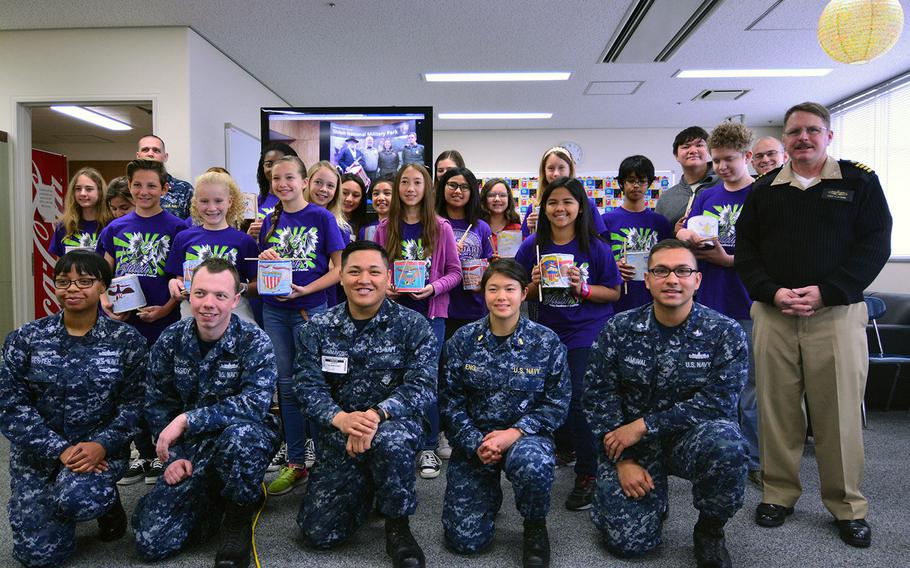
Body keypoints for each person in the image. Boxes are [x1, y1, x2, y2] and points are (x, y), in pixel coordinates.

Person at [735, 102, 892, 548]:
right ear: (784, 140)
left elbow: (875, 245)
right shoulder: (764, 190)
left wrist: (829, 290)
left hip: (836, 315)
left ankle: (848, 506)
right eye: (794, 132)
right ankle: (778, 495)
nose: (803, 138)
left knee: (838, 414)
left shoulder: (859, 182)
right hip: (775, 314)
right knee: (776, 411)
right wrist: (771, 291)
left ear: (828, 135)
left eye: (812, 130)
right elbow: (746, 251)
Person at [584, 239, 748, 567]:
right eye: (661, 271)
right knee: (629, 545)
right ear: (647, 279)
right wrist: (624, 460)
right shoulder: (619, 328)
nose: (672, 280)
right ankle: (646, 500)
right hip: (631, 444)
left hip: (689, 438)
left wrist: (645, 425)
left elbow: (718, 402)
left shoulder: (724, 332)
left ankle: (710, 530)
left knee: (728, 445)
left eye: (683, 271)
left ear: (696, 280)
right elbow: (598, 394)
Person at [293, 240, 436, 568]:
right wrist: (340, 419)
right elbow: (306, 387)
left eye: (374, 272)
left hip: (393, 426)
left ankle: (397, 526)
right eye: (354, 271)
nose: (364, 280)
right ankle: (367, 485)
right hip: (339, 434)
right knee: (318, 534)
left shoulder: (413, 326)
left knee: (389, 441)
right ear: (341, 277)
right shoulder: (317, 328)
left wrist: (376, 415)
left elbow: (422, 386)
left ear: (388, 278)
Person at [0, 250, 147, 568]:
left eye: (84, 281)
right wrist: (59, 450)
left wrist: (102, 445)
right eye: (64, 281)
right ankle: (56, 505)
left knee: (77, 499)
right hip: (37, 455)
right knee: (36, 556)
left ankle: (105, 505)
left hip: (99, 452)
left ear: (103, 287)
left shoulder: (126, 341)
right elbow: (10, 406)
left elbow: (135, 405)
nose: (73, 288)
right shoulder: (26, 339)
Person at [132, 258, 279, 568]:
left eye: (219, 296)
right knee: (150, 541)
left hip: (243, 437)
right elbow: (157, 403)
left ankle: (237, 515)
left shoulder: (254, 341)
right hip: (190, 447)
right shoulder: (171, 339)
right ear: (189, 293)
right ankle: (214, 498)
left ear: (235, 299)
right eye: (200, 293)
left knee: (240, 438)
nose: (208, 304)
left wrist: (187, 420)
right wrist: (174, 457)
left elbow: (255, 404)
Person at [441, 259, 570, 567]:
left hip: (525, 437)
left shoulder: (546, 341)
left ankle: (534, 526)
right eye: (493, 289)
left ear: (523, 293)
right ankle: (487, 495)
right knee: (465, 543)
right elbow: (449, 401)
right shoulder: (462, 340)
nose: (502, 296)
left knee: (533, 463)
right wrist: (476, 442)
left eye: (510, 289)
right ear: (483, 293)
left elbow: (557, 403)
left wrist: (514, 434)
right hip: (476, 440)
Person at [515, 176, 621, 511]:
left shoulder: (596, 248)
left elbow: (614, 293)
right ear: (543, 208)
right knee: (547, 399)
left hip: (585, 332)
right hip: (546, 334)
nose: (560, 209)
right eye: (552, 203)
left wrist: (583, 289)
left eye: (567, 202)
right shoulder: (531, 246)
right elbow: (515, 293)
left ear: (581, 208)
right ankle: (561, 451)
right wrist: (530, 285)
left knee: (578, 399)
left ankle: (588, 473)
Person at [675, 122, 759, 485]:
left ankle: (754, 461)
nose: (722, 167)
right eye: (718, 160)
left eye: (729, 160)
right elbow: (680, 227)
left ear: (747, 157)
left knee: (749, 390)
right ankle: (708, 453)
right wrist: (686, 234)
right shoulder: (707, 195)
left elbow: (772, 253)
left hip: (746, 303)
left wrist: (729, 261)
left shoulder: (762, 194)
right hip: (707, 305)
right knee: (703, 385)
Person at [258, 156, 345, 496]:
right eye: (277, 178)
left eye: (290, 177)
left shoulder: (322, 217)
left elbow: (339, 268)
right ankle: (295, 462)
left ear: (304, 181)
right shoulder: (270, 219)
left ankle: (323, 459)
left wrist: (307, 289)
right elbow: (266, 265)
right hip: (275, 310)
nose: (283, 184)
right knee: (286, 385)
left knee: (316, 383)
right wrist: (265, 260)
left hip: (312, 308)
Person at [99, 159, 185, 486]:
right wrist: (107, 303)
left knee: (163, 388)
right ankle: (143, 453)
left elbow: (181, 278)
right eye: (138, 185)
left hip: (164, 321)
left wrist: (163, 310)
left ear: (165, 188)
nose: (144, 191)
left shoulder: (178, 227)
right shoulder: (116, 228)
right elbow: (101, 274)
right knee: (131, 390)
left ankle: (165, 451)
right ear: (129, 186)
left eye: (151, 185)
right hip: (125, 323)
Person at [375, 163, 461, 480]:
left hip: (431, 315)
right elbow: (378, 269)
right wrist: (386, 285)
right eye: (405, 182)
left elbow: (455, 272)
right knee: (395, 378)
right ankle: (401, 440)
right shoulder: (384, 228)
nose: (411, 188)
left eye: (417, 183)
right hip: (395, 314)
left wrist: (433, 287)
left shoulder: (441, 227)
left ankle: (427, 446)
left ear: (427, 189)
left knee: (426, 381)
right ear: (398, 188)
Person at [165, 171, 260, 323]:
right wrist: (175, 285)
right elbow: (180, 280)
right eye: (204, 201)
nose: (211, 207)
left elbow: (257, 286)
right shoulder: (183, 238)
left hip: (235, 312)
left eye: (218, 201)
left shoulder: (244, 241)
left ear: (230, 202)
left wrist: (241, 287)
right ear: (195, 202)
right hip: (193, 312)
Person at [602, 155, 672, 313]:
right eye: (631, 180)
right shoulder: (605, 222)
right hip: (617, 300)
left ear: (649, 183)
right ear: (621, 183)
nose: (636, 185)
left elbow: (670, 261)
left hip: (653, 300)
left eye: (641, 181)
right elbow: (598, 261)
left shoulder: (661, 223)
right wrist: (614, 267)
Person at [435, 166, 494, 335]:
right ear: (442, 188)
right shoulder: (432, 223)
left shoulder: (482, 227)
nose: (458, 191)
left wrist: (487, 273)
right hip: (440, 306)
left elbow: (486, 263)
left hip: (473, 308)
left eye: (464, 187)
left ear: (472, 192)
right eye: (452, 185)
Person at [521, 146, 607, 238]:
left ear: (570, 170)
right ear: (544, 172)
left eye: (561, 168)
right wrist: (531, 228)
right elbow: (525, 243)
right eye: (551, 168)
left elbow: (599, 239)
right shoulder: (535, 208)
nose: (556, 174)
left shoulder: (587, 205)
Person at [303, 161, 352, 308]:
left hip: (323, 301)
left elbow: (336, 269)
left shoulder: (341, 228)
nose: (323, 189)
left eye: (330, 186)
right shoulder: (287, 217)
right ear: (307, 182)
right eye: (318, 182)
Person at [654, 127, 719, 228]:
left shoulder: (725, 184)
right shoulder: (666, 199)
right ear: (676, 155)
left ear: (709, 151)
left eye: (699, 145)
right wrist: (674, 232)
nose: (693, 150)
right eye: (686, 146)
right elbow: (659, 236)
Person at [50, 168, 112, 257]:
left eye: (89, 189)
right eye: (78, 189)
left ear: (100, 192)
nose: (82, 193)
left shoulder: (112, 225)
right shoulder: (64, 226)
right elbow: (60, 266)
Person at [136, 134, 194, 219]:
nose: (150, 154)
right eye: (145, 150)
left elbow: (196, 224)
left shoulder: (184, 189)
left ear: (165, 157)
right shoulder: (128, 188)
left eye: (156, 150)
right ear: (138, 156)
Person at [255, 142, 299, 224]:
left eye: (279, 163)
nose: (274, 169)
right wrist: (250, 234)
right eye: (269, 164)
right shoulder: (257, 202)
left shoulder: (301, 201)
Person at [479, 178, 522, 255]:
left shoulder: (517, 229)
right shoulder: (477, 229)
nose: (497, 199)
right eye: (491, 195)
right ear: (484, 199)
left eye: (502, 195)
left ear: (509, 199)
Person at [359, 174, 394, 241]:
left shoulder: (405, 226)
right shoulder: (366, 230)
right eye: (376, 194)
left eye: (387, 193)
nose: (380, 198)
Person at [341, 173, 369, 241]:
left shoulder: (365, 228)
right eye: (344, 193)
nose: (349, 199)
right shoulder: (326, 220)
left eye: (355, 195)